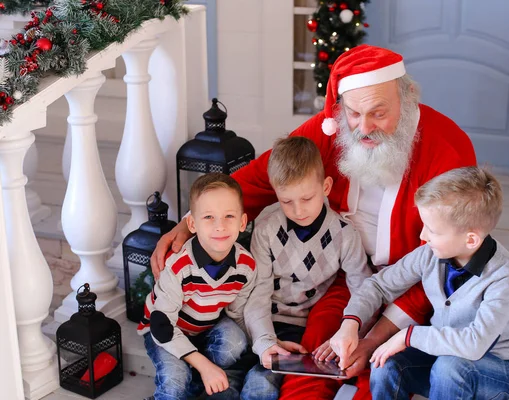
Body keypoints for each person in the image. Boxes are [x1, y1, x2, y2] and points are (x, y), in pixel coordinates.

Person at [151, 44, 477, 399]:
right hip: (338, 276)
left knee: (381, 373)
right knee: (311, 362)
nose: (364, 128)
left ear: (407, 97)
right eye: (353, 113)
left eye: (378, 113)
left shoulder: (449, 148)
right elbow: (262, 178)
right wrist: (188, 222)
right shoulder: (329, 129)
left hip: (414, 286)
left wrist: (371, 338)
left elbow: (445, 264)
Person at [330, 166, 509, 399]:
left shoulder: (503, 276)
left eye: (432, 230)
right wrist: (350, 323)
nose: (423, 235)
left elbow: (475, 343)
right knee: (386, 363)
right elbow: (379, 285)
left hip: (494, 368)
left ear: (471, 239)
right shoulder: (430, 254)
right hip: (441, 356)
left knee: (448, 367)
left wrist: (407, 336)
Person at [240, 136, 373, 400]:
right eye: (286, 201)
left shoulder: (344, 234)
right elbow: (258, 292)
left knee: (269, 386)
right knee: (250, 384)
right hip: (263, 321)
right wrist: (266, 341)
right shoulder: (267, 229)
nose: (298, 210)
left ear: (325, 186)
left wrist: (352, 331)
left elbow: (362, 286)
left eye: (306, 198)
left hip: (302, 329)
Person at [138, 173, 257, 400]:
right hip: (166, 330)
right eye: (209, 217)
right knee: (174, 385)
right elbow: (162, 328)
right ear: (192, 223)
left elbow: (238, 315)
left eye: (229, 216)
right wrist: (204, 365)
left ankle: (200, 378)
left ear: (242, 222)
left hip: (205, 328)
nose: (220, 226)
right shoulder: (178, 266)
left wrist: (266, 341)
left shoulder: (245, 266)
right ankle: (190, 377)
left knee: (235, 342)